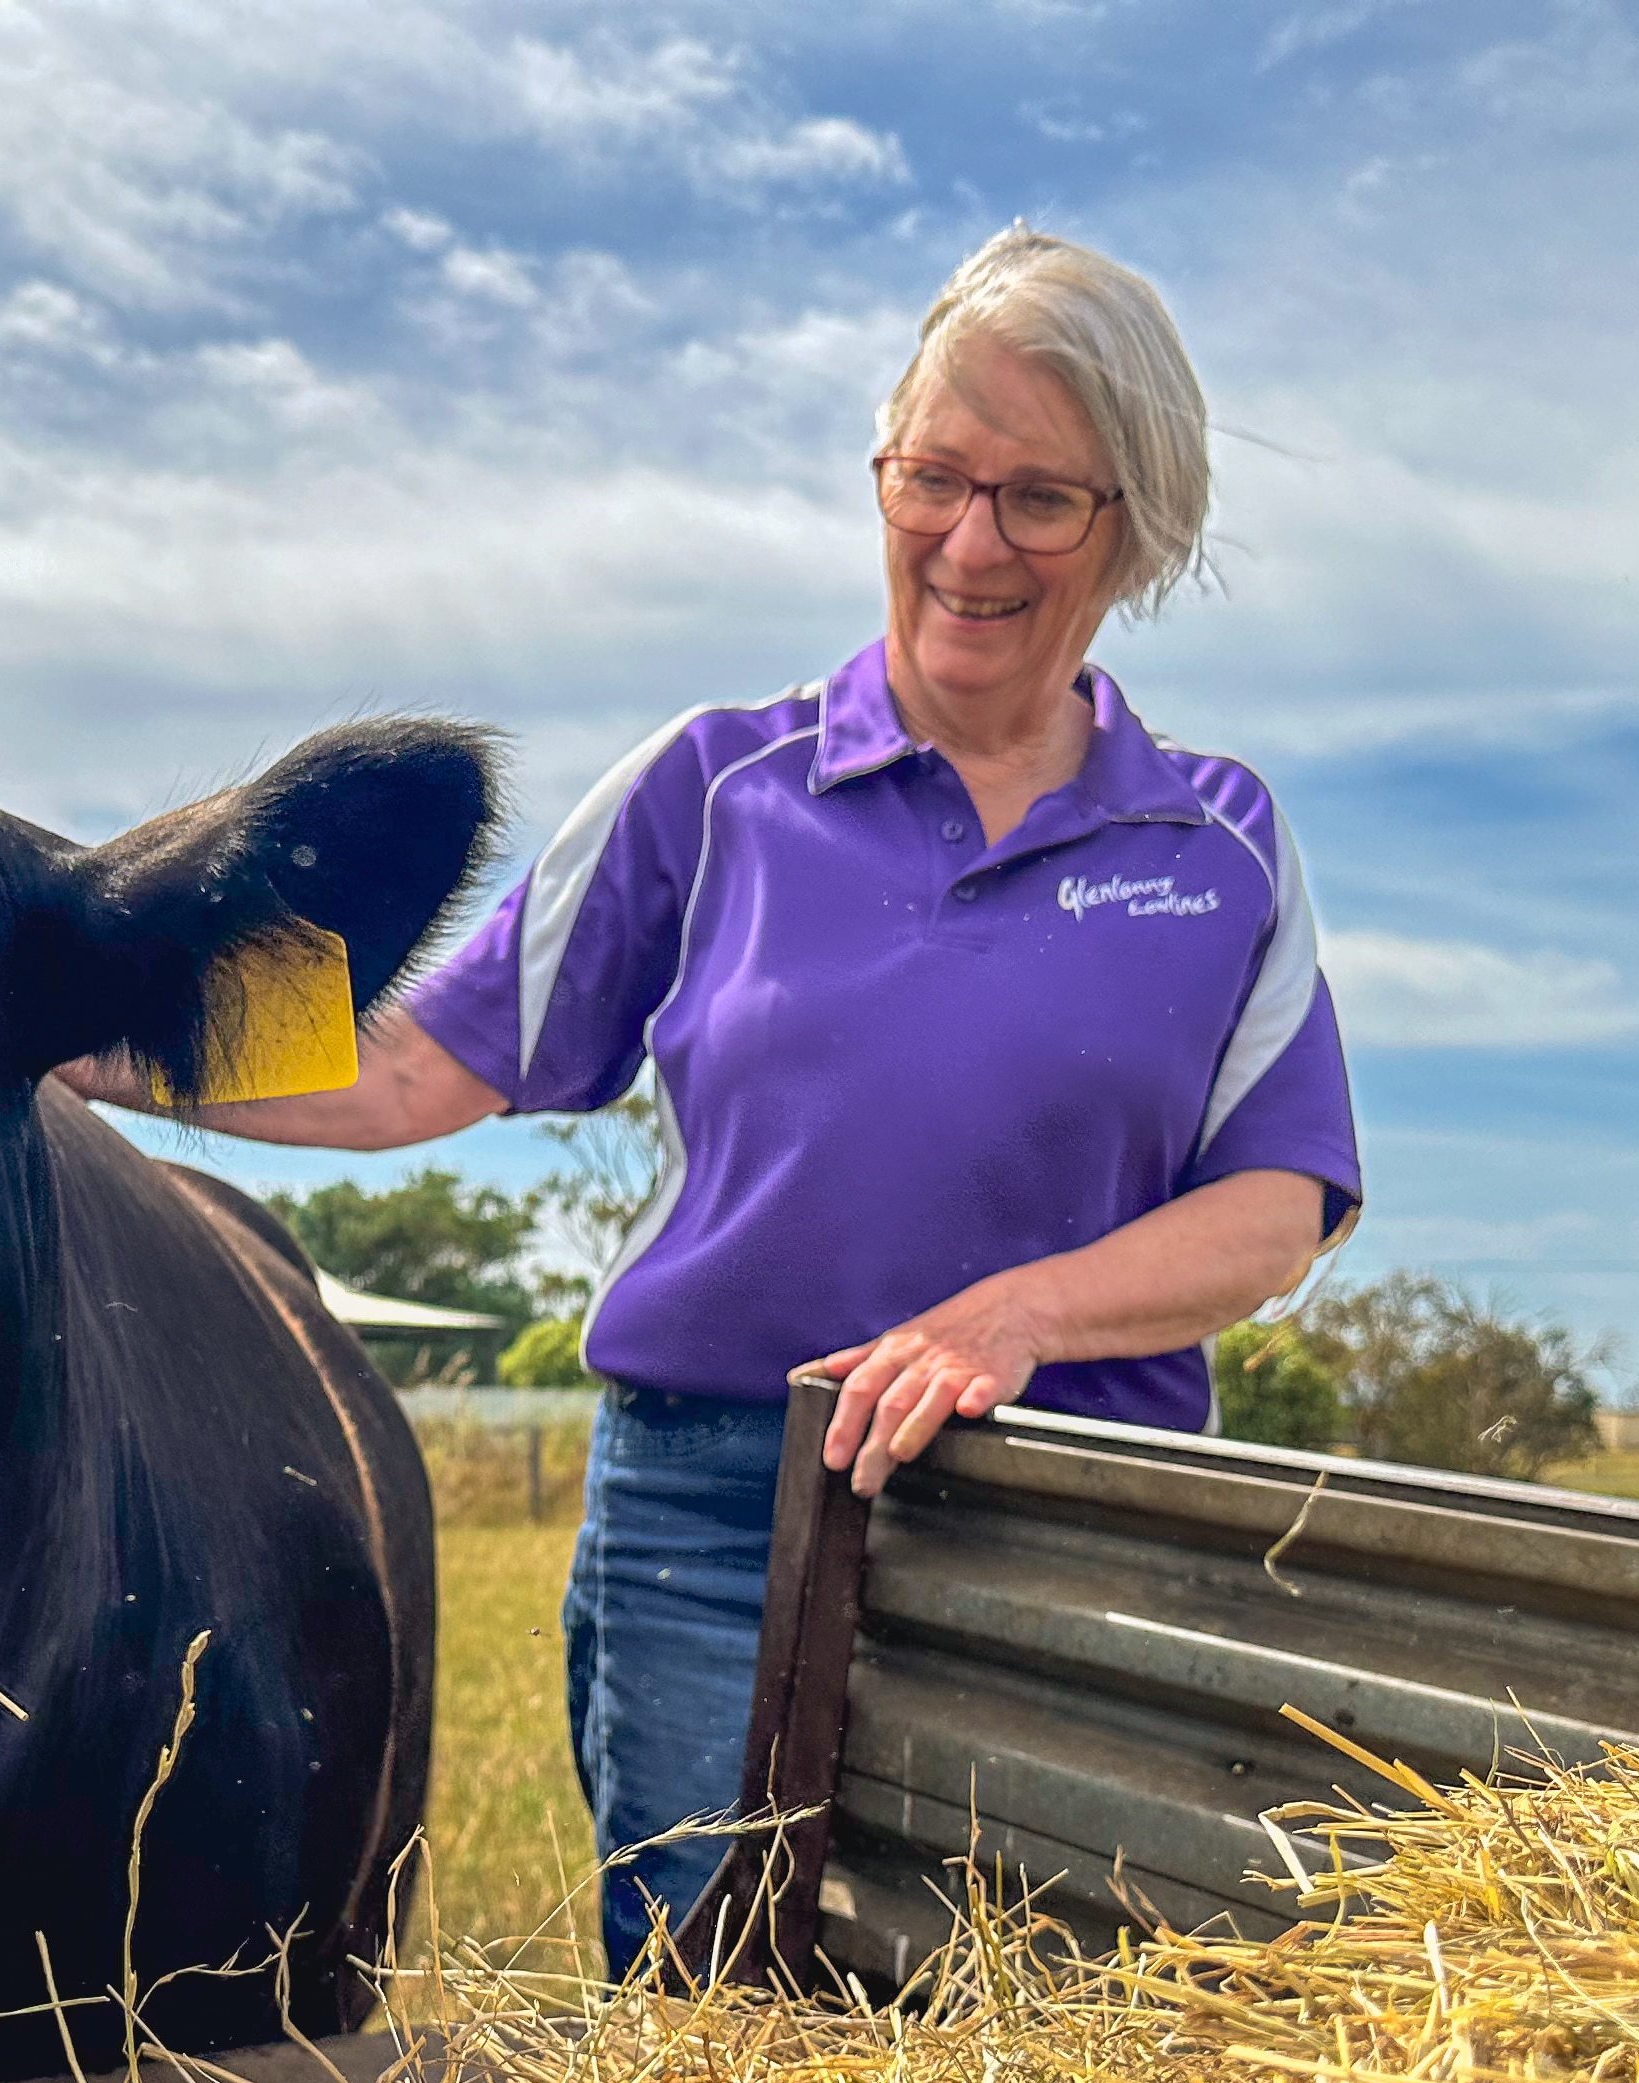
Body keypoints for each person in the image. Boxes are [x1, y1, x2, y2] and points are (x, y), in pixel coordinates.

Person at [72, 225, 1360, 1975]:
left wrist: (1017, 1317)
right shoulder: (714, 788)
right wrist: (95, 1027)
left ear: (1138, 531)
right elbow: (405, 1055)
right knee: (719, 2035)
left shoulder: (1214, 844)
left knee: (1075, 2028)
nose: (969, 543)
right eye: (932, 478)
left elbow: (1276, 1209)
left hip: (1086, 1516)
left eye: (1040, 500)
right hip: (721, 1513)